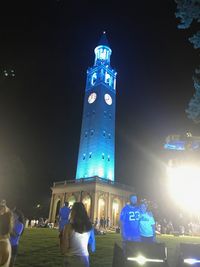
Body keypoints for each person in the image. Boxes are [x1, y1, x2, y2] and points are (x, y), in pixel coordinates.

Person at [60, 202, 95, 267]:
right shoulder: (89, 227)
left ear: (73, 212)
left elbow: (64, 250)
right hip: (85, 260)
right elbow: (91, 247)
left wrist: (61, 239)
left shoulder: (68, 227)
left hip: (71, 260)